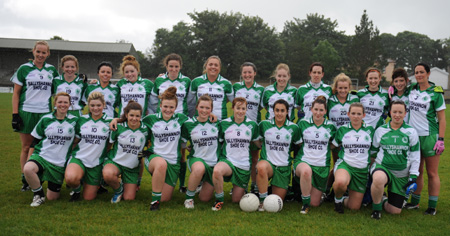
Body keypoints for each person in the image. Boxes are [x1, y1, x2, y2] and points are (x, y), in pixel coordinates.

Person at [11, 40, 59, 191]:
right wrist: (15, 114)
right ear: (33, 51)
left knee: (42, 147)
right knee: (26, 147)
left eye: (44, 52)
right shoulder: (24, 69)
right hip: (26, 112)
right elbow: (16, 93)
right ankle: (25, 179)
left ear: (48, 54)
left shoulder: (51, 70)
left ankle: (40, 176)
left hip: (45, 113)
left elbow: (61, 87)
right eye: (38, 51)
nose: (40, 55)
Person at [404, 62, 446, 215]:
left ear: (428, 74)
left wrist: (441, 139)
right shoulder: (412, 89)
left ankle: (432, 207)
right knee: (418, 171)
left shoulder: (436, 92)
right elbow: (399, 88)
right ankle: (415, 203)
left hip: (430, 137)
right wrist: (392, 89)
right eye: (416, 72)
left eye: (422, 72)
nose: (419, 75)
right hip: (413, 137)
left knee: (432, 173)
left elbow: (442, 119)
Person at [23, 92, 77, 207]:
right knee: (28, 169)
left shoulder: (75, 121)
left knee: (52, 198)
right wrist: (29, 159)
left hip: (59, 163)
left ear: (70, 104)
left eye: (65, 102)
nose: (63, 105)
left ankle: (41, 181)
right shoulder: (45, 119)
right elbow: (35, 141)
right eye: (60, 102)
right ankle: (38, 194)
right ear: (55, 104)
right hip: (42, 156)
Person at [369, 100, 420, 219]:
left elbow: (415, 155)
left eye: (400, 112)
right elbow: (373, 152)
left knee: (395, 211)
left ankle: (383, 198)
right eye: (394, 112)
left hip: (401, 173)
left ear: (405, 113)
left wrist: (413, 176)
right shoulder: (381, 130)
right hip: (383, 167)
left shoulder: (411, 132)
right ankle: (376, 209)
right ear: (390, 112)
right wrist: (370, 170)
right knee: (378, 178)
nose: (397, 115)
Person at [150, 53, 192, 193]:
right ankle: (160, 175)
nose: (173, 69)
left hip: (179, 123)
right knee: (162, 150)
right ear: (166, 66)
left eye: (176, 66)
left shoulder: (186, 81)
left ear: (180, 67)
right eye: (171, 66)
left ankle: (181, 184)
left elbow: (190, 102)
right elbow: (153, 101)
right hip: (163, 122)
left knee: (181, 153)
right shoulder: (159, 81)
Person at [143, 87, 189, 211]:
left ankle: (159, 191)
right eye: (165, 106)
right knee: (161, 165)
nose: (168, 110)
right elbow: (132, 121)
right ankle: (154, 202)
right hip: (155, 158)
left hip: (173, 163)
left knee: (166, 198)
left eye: (171, 107)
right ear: (160, 105)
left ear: (176, 107)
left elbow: (198, 122)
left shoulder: (181, 119)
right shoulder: (150, 119)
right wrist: (116, 120)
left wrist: (211, 116)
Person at [211, 97, 259, 211]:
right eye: (238, 108)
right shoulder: (224, 124)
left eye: (243, 108)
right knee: (217, 170)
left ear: (246, 110)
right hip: (228, 161)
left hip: (243, 166)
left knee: (236, 200)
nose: (240, 111)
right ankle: (219, 200)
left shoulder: (252, 125)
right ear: (233, 108)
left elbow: (257, 144)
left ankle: (243, 188)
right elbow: (218, 141)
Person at [65, 92, 112, 201]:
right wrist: (69, 159)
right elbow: (75, 141)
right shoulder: (82, 120)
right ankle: (76, 190)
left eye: (98, 105)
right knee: (71, 178)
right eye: (92, 105)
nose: (95, 108)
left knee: (88, 198)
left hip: (96, 162)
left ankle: (93, 181)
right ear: (88, 106)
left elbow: (109, 144)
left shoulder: (110, 122)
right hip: (80, 158)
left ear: (104, 105)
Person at [256, 99, 301, 211]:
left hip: (283, 168)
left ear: (287, 112)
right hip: (268, 164)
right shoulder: (264, 125)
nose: (279, 113)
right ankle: (262, 201)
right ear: (273, 111)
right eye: (277, 110)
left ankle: (268, 189)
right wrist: (262, 148)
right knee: (261, 167)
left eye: (282, 110)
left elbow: (299, 146)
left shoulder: (294, 128)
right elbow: (256, 141)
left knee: (276, 201)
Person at [294, 96, 336, 214]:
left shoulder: (331, 127)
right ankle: (305, 204)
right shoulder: (303, 123)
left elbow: (332, 145)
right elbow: (298, 142)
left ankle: (316, 196)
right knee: (306, 171)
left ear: (325, 111)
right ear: (311, 109)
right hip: (304, 161)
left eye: (321, 110)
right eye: (316, 109)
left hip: (322, 167)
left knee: (315, 203)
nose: (318, 113)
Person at [102, 101, 149, 204]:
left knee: (129, 198)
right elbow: (109, 146)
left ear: (141, 116)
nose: (134, 118)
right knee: (108, 174)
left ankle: (125, 184)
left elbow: (146, 150)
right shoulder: (118, 127)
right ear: (126, 114)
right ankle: (118, 190)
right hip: (115, 162)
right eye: (131, 115)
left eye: (137, 116)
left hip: (131, 168)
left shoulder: (145, 130)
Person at [332, 103, 374, 213]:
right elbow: (333, 146)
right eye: (353, 113)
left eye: (359, 114)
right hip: (345, 165)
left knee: (354, 207)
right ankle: (338, 201)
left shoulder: (370, 130)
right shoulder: (342, 130)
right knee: (340, 182)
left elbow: (374, 151)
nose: (356, 116)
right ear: (348, 114)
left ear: (363, 115)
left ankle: (343, 198)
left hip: (362, 170)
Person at [182, 95, 220, 209]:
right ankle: (189, 199)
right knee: (199, 169)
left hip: (213, 163)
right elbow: (182, 143)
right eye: (202, 107)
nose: (204, 110)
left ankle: (200, 185)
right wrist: (187, 148)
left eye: (207, 108)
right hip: (196, 159)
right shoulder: (188, 124)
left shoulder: (217, 123)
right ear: (197, 107)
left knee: (204, 199)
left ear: (211, 109)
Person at [325, 73, 359, 199]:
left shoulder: (355, 100)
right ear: (336, 88)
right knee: (337, 165)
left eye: (345, 88)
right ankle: (329, 190)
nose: (343, 90)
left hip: (351, 139)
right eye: (340, 88)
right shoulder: (331, 100)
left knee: (350, 164)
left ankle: (346, 190)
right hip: (336, 139)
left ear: (349, 87)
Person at [233, 62, 265, 194]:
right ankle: (241, 184)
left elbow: (261, 107)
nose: (247, 75)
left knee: (254, 158)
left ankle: (255, 184)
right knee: (239, 157)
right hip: (238, 128)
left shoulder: (261, 90)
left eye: (249, 72)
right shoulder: (236, 87)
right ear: (241, 74)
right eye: (244, 72)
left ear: (254, 73)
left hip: (253, 128)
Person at [188, 55, 234, 120]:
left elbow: (235, 104)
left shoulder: (227, 83)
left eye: (216, 65)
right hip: (200, 122)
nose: (213, 67)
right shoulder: (196, 82)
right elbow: (188, 102)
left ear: (220, 68)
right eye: (210, 64)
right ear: (206, 66)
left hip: (220, 122)